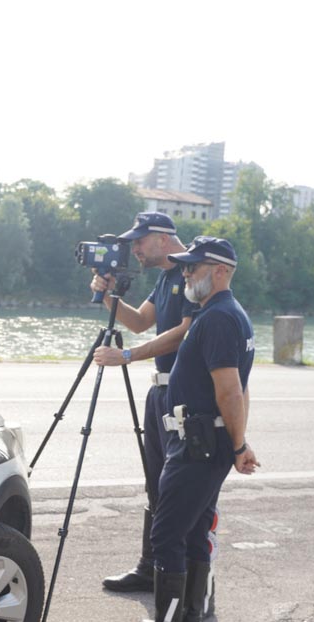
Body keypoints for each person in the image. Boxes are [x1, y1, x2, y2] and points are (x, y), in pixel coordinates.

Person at [114, 236, 259, 622]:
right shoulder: (229, 315)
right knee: (193, 533)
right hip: (209, 441)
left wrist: (238, 444)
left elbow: (230, 390)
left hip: (199, 442)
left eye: (193, 268)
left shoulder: (216, 319)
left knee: (167, 534)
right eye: (184, 267)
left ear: (219, 271)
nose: (186, 274)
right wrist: (238, 443)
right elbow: (242, 389)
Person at [89, 212, 215, 597]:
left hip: (187, 395)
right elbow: (142, 322)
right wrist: (109, 296)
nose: (135, 249)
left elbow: (185, 333)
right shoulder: (165, 278)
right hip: (159, 392)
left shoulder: (194, 272)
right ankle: (151, 569)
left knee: (187, 494)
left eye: (140, 241)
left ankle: (196, 586)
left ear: (162, 238)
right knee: (157, 484)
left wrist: (128, 357)